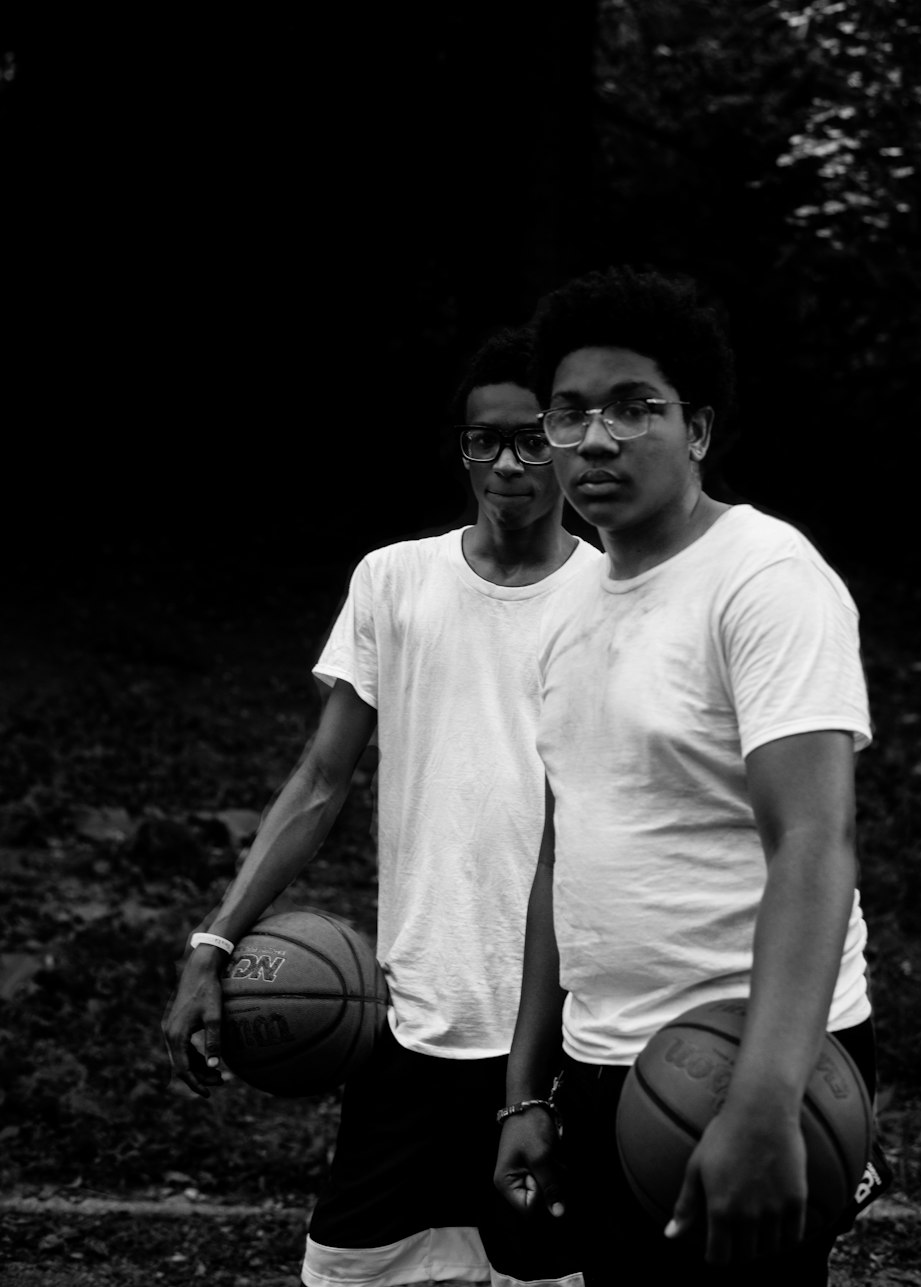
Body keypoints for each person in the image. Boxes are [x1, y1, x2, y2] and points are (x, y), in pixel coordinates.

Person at [162, 326, 598, 1287]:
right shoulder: (393, 580)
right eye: (487, 440)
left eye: (534, 437)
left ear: (568, 441)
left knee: (548, 1277)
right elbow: (320, 782)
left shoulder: (618, 596)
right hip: (414, 1018)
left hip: (565, 1033)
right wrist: (215, 942)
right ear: (462, 450)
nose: (510, 462)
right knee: (347, 1270)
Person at [493, 265, 882, 1285]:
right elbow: (561, 856)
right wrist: (529, 1092)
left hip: (741, 1059)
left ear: (698, 430)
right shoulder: (571, 608)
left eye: (633, 408)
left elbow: (814, 840)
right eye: (567, 414)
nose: (595, 439)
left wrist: (763, 1100)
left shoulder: (764, 576)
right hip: (604, 1065)